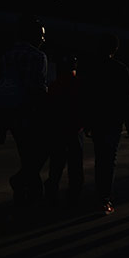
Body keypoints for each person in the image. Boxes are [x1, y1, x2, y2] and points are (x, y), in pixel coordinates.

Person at [0, 15, 48, 207]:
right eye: (42, 35)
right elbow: (38, 89)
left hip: (10, 111)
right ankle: (26, 186)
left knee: (26, 153)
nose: (43, 39)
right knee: (40, 151)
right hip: (30, 112)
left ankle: (27, 190)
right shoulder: (37, 56)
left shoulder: (8, 54)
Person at [84, 33, 129, 215]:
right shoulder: (120, 69)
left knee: (100, 158)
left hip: (98, 118)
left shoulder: (92, 68)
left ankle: (100, 195)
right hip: (113, 120)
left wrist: (86, 120)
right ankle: (104, 198)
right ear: (115, 49)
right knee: (109, 159)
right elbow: (127, 98)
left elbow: (87, 95)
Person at [43, 55, 85, 207]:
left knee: (57, 164)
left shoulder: (55, 85)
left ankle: (52, 190)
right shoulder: (79, 84)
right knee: (75, 166)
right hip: (75, 129)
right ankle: (74, 194)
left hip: (58, 129)